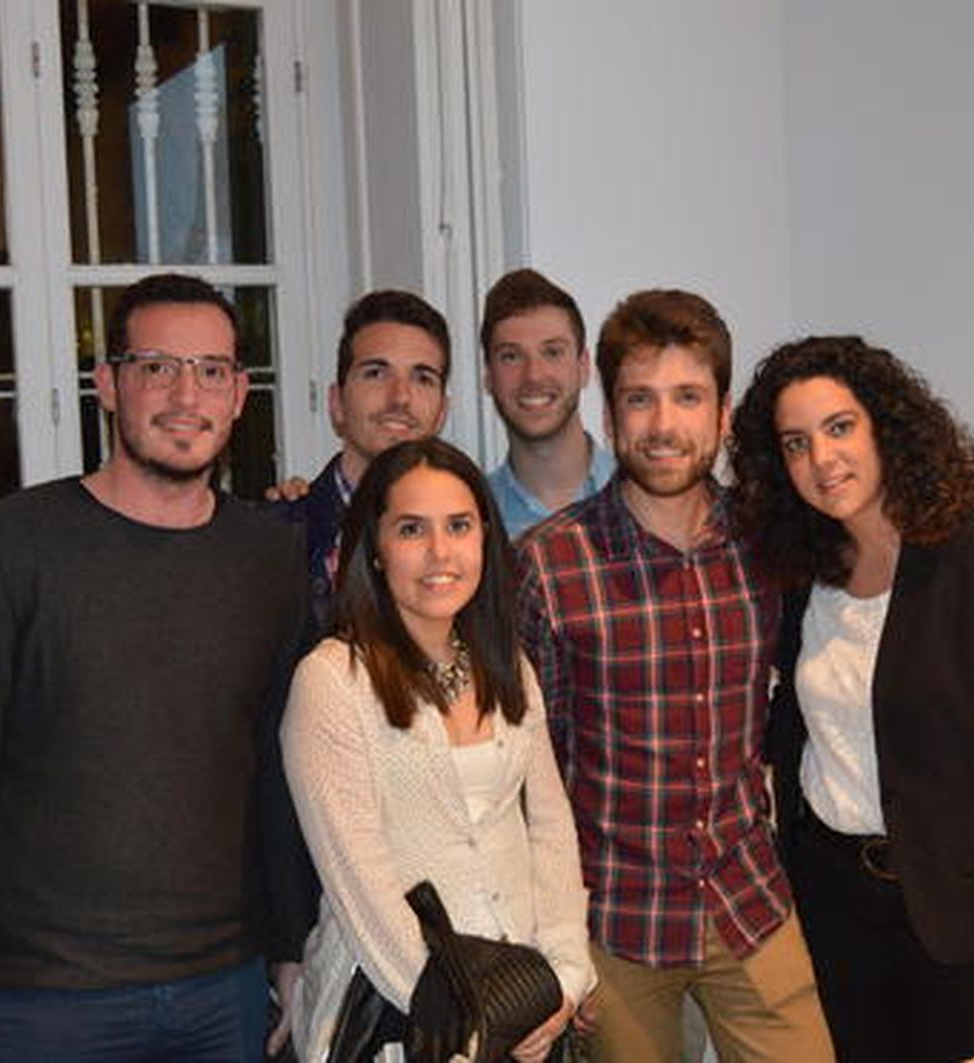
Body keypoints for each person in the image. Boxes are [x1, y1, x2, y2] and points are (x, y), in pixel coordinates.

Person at [0, 274, 310, 1062]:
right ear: (109, 384)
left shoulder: (268, 559)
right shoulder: (15, 547)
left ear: (239, 394)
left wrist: (291, 947)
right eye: (157, 366)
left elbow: (280, 774)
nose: (185, 394)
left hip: (223, 990)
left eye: (210, 370)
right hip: (42, 1000)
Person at [728, 335, 974, 1063]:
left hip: (962, 923)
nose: (822, 459)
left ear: (885, 424)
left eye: (839, 427)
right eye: (796, 443)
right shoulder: (798, 573)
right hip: (832, 911)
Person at [517, 290, 833, 1063]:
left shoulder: (768, 545)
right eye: (641, 399)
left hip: (747, 896)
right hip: (614, 919)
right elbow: (531, 774)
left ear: (722, 415)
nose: (663, 424)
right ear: (610, 413)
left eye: (687, 397)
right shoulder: (548, 565)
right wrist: (554, 940)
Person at [283, 438, 594, 1062]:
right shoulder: (332, 681)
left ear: (485, 537)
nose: (439, 552)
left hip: (523, 1009)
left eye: (458, 526)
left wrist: (563, 979)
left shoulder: (505, 664)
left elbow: (550, 831)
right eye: (411, 529)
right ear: (375, 548)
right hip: (402, 1017)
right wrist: (467, 1023)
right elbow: (362, 890)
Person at [275, 290, 451, 635]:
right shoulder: (278, 539)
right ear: (337, 403)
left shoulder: (468, 543)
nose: (400, 397)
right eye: (376, 373)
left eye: (422, 378)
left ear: (442, 413)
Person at [481, 269, 613, 540]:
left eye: (552, 352)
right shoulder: (474, 516)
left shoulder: (640, 496)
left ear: (584, 367)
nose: (534, 375)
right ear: (488, 376)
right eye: (511, 356)